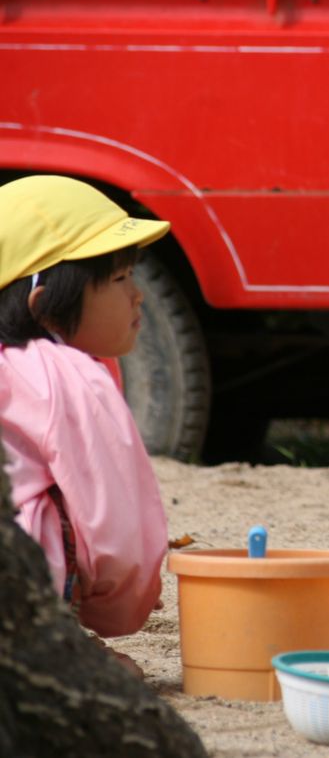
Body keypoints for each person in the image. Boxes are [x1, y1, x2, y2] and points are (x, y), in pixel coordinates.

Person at [0, 174, 172, 676]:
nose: (138, 296)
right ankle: (50, 646)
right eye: (118, 280)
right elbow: (119, 529)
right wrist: (118, 608)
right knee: (56, 507)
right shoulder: (62, 373)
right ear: (42, 303)